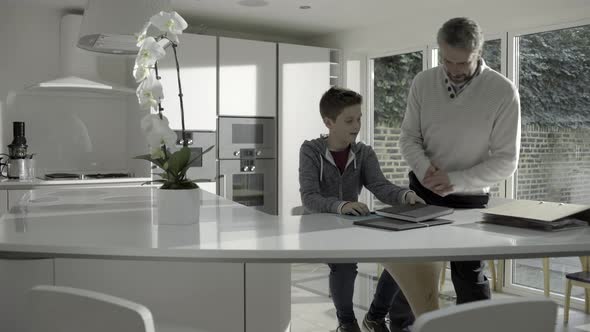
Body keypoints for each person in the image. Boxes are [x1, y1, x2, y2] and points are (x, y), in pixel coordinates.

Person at [397, 17, 521, 306]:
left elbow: (506, 160)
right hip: (422, 189)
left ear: (478, 53)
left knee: (469, 276)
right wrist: (426, 170)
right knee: (409, 268)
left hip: (469, 198)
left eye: (462, 63)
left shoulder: (502, 92)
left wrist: (454, 181)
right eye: (446, 61)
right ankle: (388, 321)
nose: (453, 70)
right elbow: (408, 138)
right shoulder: (423, 82)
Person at [299, 86, 422, 332]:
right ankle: (347, 322)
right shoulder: (311, 151)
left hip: (355, 225)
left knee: (402, 257)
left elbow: (379, 185)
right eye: (349, 120)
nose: (357, 125)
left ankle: (375, 317)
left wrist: (405, 195)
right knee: (345, 265)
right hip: (322, 228)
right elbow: (309, 197)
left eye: (359, 119)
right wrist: (341, 205)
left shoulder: (363, 152)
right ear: (329, 122)